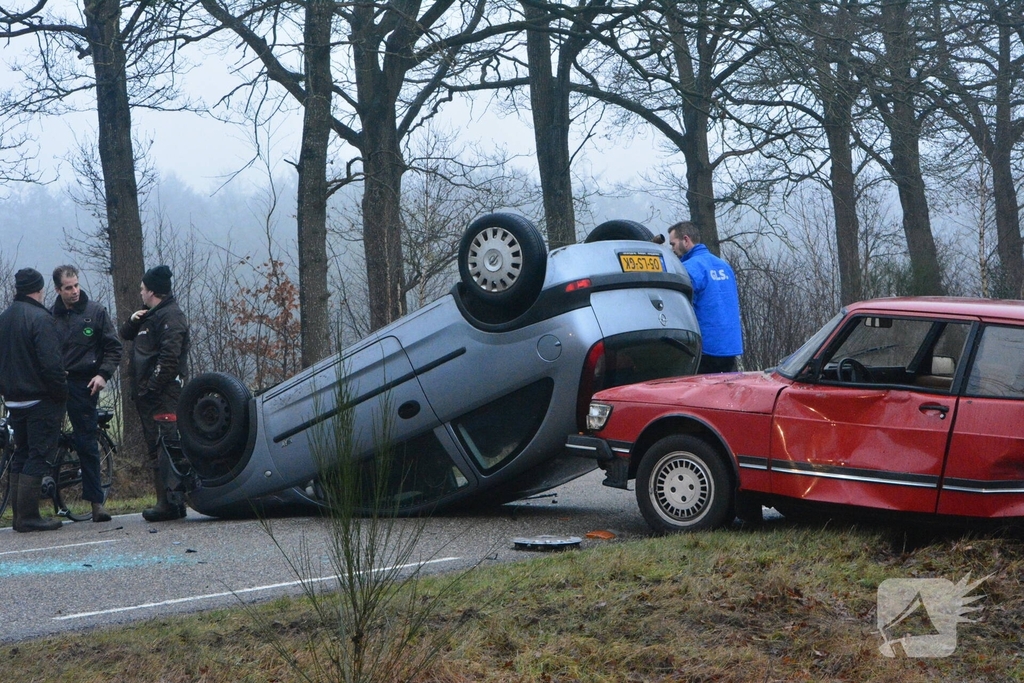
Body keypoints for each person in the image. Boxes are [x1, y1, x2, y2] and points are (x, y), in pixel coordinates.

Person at [52, 265, 123, 522]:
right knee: (45, 440)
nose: (74, 291)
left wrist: (103, 375)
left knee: (87, 442)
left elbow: (114, 348)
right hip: (56, 384)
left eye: (76, 285)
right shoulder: (51, 317)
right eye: (68, 287)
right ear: (58, 289)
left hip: (85, 383)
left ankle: (96, 503)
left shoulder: (96, 312)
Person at [119, 265, 190, 522]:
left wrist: (151, 387)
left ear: (151, 291)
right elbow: (124, 334)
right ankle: (168, 501)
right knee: (155, 446)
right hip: (148, 395)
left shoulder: (171, 316)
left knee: (166, 445)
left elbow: (169, 358)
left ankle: (171, 503)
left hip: (163, 394)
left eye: (142, 288)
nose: (140, 291)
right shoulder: (150, 315)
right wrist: (133, 319)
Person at [0, 268, 67, 532]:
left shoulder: (4, 319)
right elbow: (51, 364)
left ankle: (19, 516)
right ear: (39, 289)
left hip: (13, 399)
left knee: (21, 453)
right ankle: (28, 516)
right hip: (40, 399)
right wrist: (60, 394)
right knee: (38, 454)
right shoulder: (41, 318)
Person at [668, 221, 744, 373]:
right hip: (730, 347)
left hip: (706, 350)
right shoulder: (723, 266)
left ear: (686, 240)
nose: (672, 249)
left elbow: (681, 310)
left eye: (673, 244)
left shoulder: (689, 268)